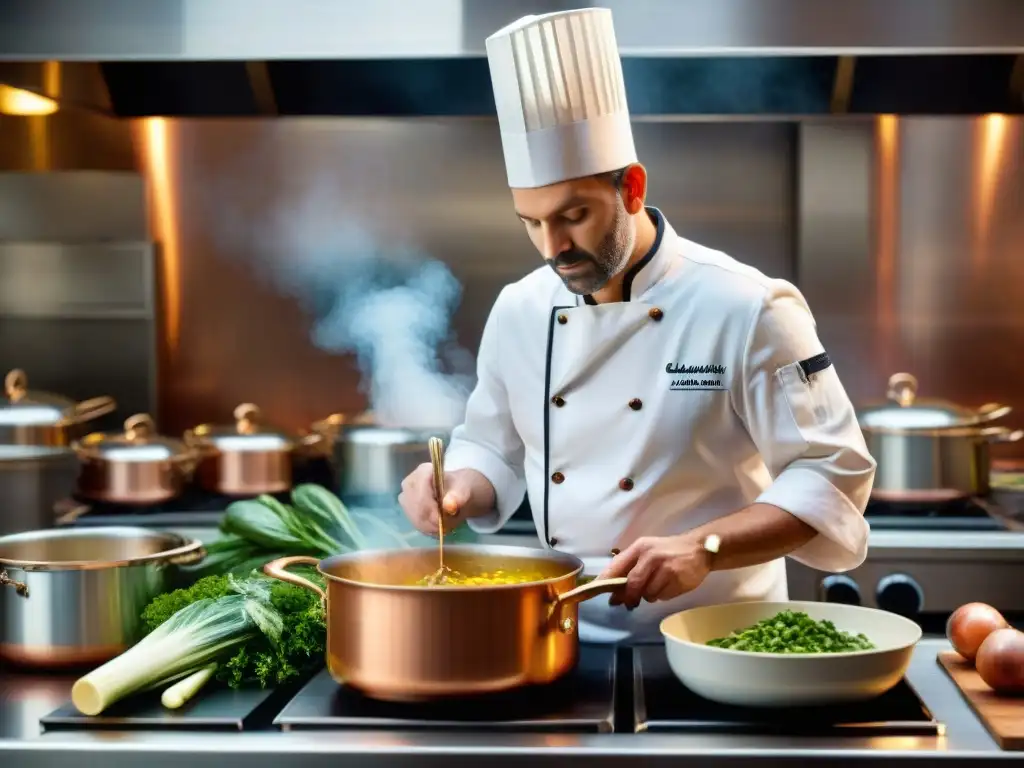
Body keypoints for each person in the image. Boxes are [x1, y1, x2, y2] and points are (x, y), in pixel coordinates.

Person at [398, 7, 876, 643]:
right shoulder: (519, 308)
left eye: (573, 215)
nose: (552, 247)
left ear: (631, 187)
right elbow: (492, 448)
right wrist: (456, 489)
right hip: (557, 636)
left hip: (722, 638)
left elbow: (831, 474)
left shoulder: (747, 305)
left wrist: (703, 547)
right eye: (532, 223)